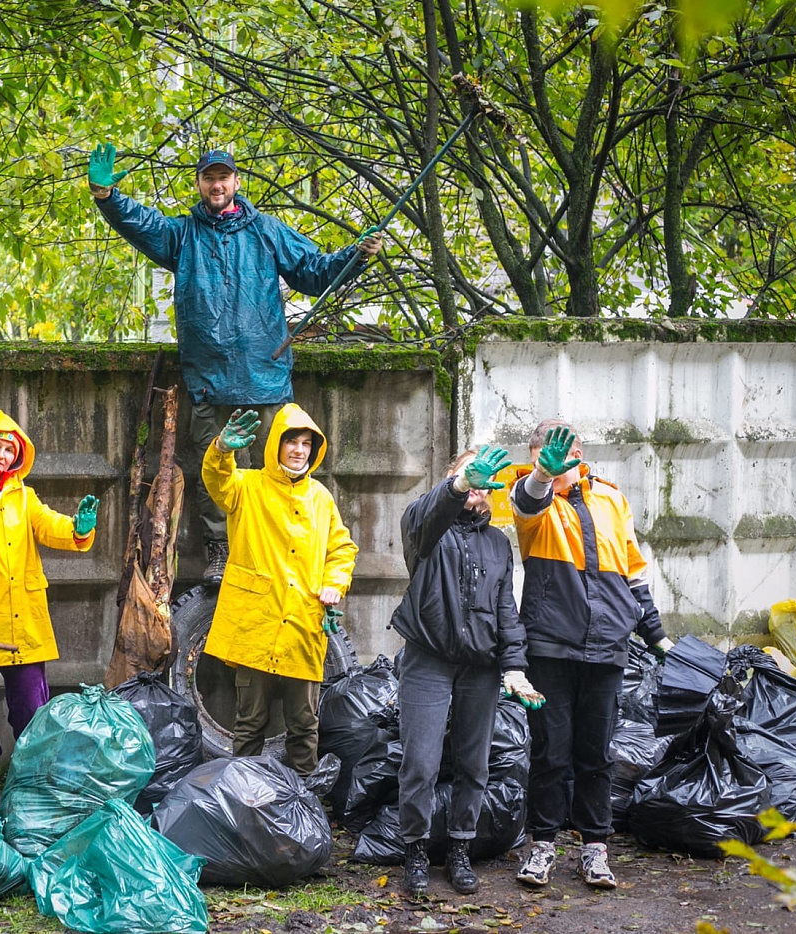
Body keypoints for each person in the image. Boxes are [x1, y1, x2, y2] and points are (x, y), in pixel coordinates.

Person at [88, 143, 382, 582]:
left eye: (224, 177)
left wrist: (356, 255)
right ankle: (220, 551)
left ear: (236, 182)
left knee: (278, 472)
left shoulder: (266, 230)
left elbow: (316, 271)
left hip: (265, 378)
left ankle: (277, 548)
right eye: (209, 178)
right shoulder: (183, 234)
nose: (217, 184)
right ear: (200, 184)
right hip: (207, 381)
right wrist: (106, 196)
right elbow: (142, 223)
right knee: (214, 475)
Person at [510, 421, 675, 890]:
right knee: (549, 752)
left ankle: (595, 849)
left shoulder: (611, 497)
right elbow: (526, 503)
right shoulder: (534, 498)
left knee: (595, 754)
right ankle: (542, 845)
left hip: (606, 647)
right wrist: (543, 475)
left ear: (581, 453)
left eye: (569, 453)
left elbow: (633, 570)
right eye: (550, 454)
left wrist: (656, 635)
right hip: (549, 647)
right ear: (538, 454)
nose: (563, 461)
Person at [390, 446, 543, 899]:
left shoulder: (497, 543)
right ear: (452, 477)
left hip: (481, 667)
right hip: (428, 660)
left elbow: (505, 611)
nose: (478, 485)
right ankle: (416, 850)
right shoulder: (426, 530)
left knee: (474, 765)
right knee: (420, 762)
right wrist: (456, 486)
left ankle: (459, 848)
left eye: (484, 479)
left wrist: (514, 666)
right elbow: (428, 513)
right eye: (469, 476)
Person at [0, 410, 100, 805]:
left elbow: (49, 526)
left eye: (11, 449)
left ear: (19, 456)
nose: (3, 454)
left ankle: (29, 778)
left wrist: (78, 527)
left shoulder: (26, 497)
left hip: (22, 617)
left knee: (31, 703)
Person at [200, 404, 357, 779]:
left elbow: (342, 548)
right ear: (276, 445)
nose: (299, 450)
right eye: (291, 441)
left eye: (306, 443)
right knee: (249, 722)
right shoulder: (248, 486)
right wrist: (222, 448)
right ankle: (243, 799)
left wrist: (335, 584)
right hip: (256, 625)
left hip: (303, 626)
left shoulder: (320, 497)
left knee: (304, 725)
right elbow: (217, 480)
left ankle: (301, 805)